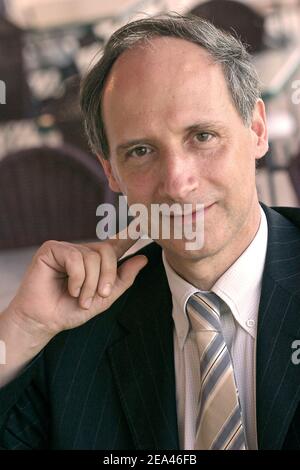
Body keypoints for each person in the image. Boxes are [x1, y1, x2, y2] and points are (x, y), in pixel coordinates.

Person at [0, 14, 299, 450]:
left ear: (256, 130)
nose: (178, 184)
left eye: (202, 136)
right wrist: (20, 329)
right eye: (140, 151)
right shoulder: (73, 334)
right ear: (111, 171)